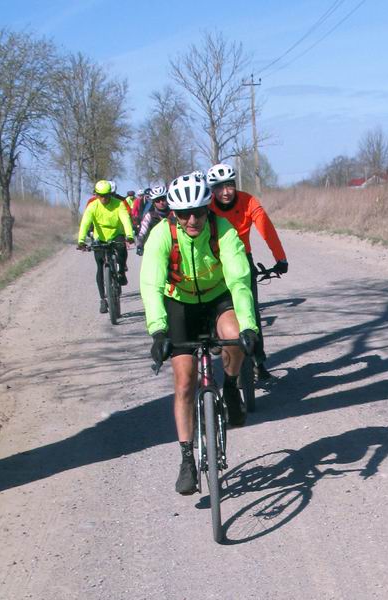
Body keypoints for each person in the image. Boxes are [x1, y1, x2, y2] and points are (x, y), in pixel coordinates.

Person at [140, 172, 258, 495]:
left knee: (234, 336)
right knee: (184, 380)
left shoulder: (224, 231)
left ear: (209, 208)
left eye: (200, 211)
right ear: (174, 215)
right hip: (180, 305)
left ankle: (232, 386)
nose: (193, 219)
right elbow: (151, 285)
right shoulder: (162, 236)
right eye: (184, 214)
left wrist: (248, 325)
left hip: (217, 297)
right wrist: (158, 331)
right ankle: (186, 459)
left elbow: (239, 279)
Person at [206, 163, 288, 382]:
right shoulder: (207, 208)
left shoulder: (248, 201)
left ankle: (258, 362)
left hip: (243, 260)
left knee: (251, 312)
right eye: (219, 187)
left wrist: (280, 257)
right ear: (212, 190)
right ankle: (214, 335)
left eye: (230, 186)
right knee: (211, 304)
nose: (226, 192)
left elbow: (266, 228)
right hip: (214, 263)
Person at [77, 180, 135, 313]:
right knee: (99, 265)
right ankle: (103, 299)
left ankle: (121, 272)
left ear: (111, 194)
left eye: (107, 195)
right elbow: (85, 222)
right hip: (100, 238)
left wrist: (129, 235)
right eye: (101, 195)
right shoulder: (92, 206)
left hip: (117, 234)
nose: (104, 198)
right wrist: (81, 241)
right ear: (96, 195)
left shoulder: (118, 204)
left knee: (121, 249)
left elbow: (125, 220)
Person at [135, 185, 169, 256]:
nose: (161, 202)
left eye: (163, 199)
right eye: (157, 200)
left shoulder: (175, 214)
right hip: (156, 249)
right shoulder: (149, 216)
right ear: (153, 202)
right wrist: (140, 244)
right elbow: (142, 232)